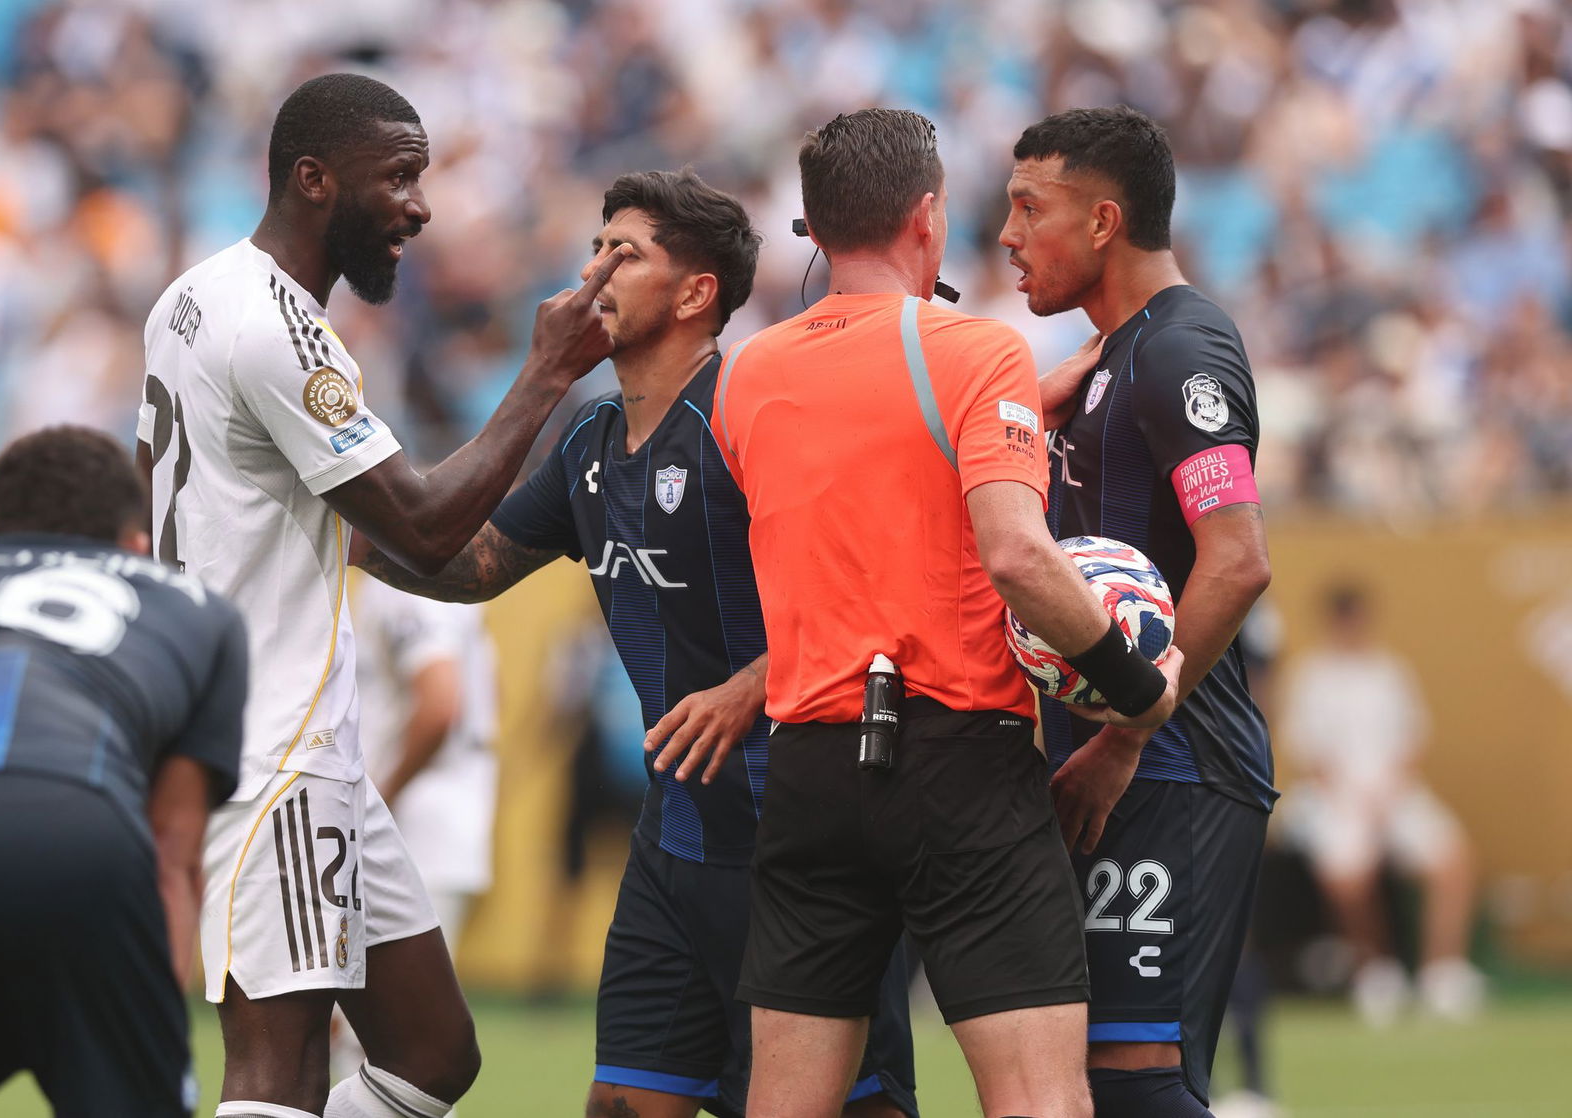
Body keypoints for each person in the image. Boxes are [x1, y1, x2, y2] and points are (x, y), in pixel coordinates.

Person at [356, 167, 920, 1118]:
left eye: (626, 253)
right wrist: (324, 526)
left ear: (696, 294)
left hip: (800, 838)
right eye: (595, 248)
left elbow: (882, 595)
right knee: (621, 1103)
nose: (594, 273)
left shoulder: (757, 413)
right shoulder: (591, 436)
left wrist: (751, 685)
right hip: (676, 841)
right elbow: (468, 564)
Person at [136, 72, 625, 1118]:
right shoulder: (278, 329)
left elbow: (368, 535)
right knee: (280, 1072)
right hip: (274, 747)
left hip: (298, 742)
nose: (420, 206)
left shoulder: (190, 295)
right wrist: (548, 374)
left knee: (433, 1053)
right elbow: (425, 522)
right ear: (314, 179)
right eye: (399, 178)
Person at [711, 108, 1183, 1118]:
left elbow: (846, 493)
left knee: (785, 1106)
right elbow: (1016, 554)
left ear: (812, 226)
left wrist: (1006, 424)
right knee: (1039, 1098)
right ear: (926, 216)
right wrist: (1138, 693)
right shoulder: (978, 348)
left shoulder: (743, 372)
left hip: (808, 765)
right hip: (957, 760)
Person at [998, 106, 1276, 1117]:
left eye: (1030, 208)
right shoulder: (1111, 355)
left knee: (1133, 1085)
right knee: (1071, 1083)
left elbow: (1237, 563)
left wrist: (1125, 736)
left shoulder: (1180, 349)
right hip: (1107, 768)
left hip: (1170, 769)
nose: (1008, 235)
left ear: (1104, 221)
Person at [0, 426, 247, 1117]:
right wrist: (152, 1038)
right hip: (78, 830)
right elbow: (173, 855)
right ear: (135, 544)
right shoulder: (197, 607)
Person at [1280, 583, 1482, 1026]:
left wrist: (1388, 793)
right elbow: (1310, 754)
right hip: (1335, 798)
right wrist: (1355, 800)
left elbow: (1413, 739)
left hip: (1397, 793)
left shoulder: (1390, 671)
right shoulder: (1311, 675)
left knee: (1454, 863)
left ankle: (1441, 973)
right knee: (1348, 879)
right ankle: (1376, 972)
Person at [331, 573, 500, 1080]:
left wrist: (378, 799)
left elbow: (441, 703)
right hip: (444, 813)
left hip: (415, 824)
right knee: (400, 1047)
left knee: (386, 1046)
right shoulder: (438, 582)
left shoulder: (401, 584)